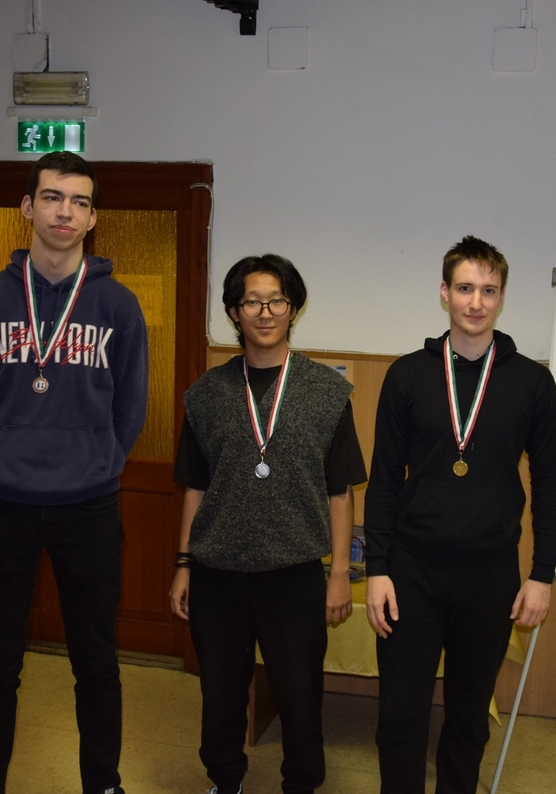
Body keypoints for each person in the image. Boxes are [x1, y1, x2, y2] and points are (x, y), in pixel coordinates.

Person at [0, 152, 148, 794]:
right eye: (52, 197)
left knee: (95, 660)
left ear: (93, 218)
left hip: (88, 506)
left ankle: (104, 785)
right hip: (1, 503)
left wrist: (98, 460)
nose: (65, 212)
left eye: (79, 202)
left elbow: (131, 405)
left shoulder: (118, 306)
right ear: (27, 207)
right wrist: (2, 450)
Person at [364, 235, 556, 794]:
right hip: (411, 572)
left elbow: (550, 485)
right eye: (465, 288)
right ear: (444, 293)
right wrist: (377, 568)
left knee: (469, 718)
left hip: (490, 575)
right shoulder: (407, 376)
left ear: (502, 297)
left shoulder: (532, 382)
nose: (476, 302)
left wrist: (542, 574)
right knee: (400, 716)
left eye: (489, 290)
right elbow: (384, 479)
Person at [169, 254, 367, 794]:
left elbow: (341, 491)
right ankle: (224, 780)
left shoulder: (327, 392)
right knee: (220, 693)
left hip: (293, 574)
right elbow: (195, 487)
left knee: (300, 695)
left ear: (292, 308)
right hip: (218, 573)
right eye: (251, 301)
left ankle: (301, 783)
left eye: (275, 300)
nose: (264, 311)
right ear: (235, 312)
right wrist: (184, 565)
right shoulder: (206, 394)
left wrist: (338, 573)